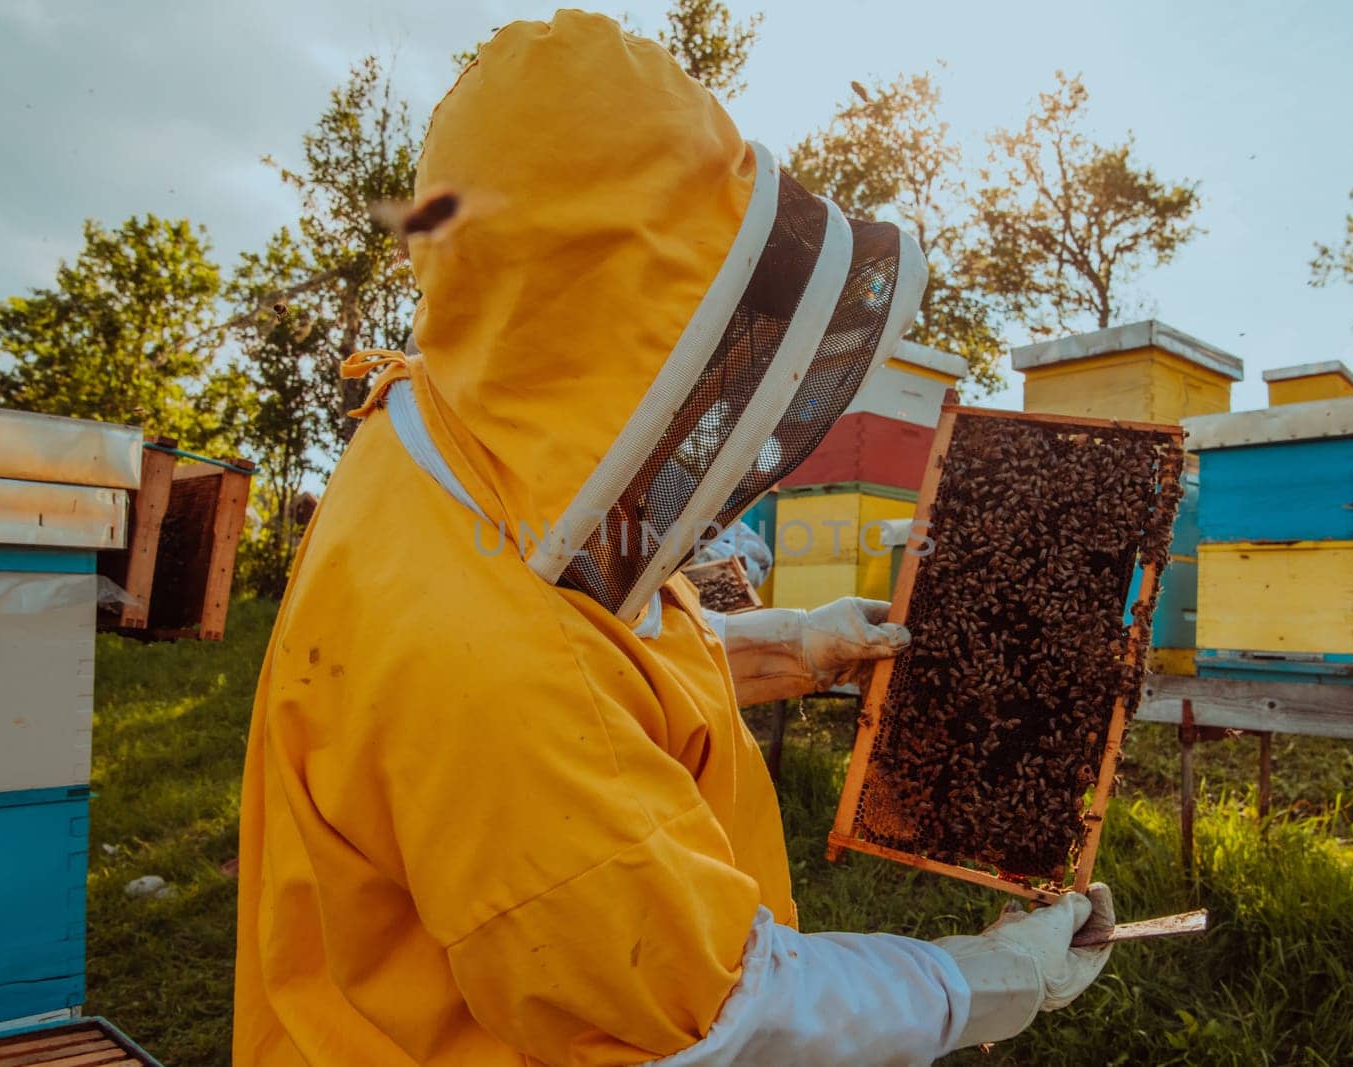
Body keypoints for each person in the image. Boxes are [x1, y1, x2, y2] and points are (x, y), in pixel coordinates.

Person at [234, 11, 1112, 1065]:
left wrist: (792, 641)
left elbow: (591, 669)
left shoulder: (436, 436)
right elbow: (731, 1011)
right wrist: (993, 976)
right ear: (605, 308)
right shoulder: (485, 661)